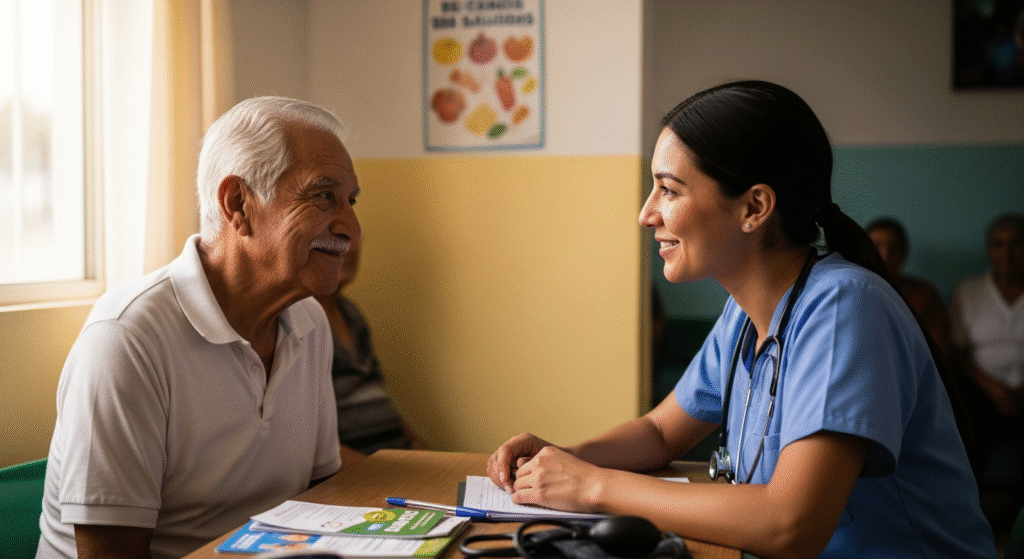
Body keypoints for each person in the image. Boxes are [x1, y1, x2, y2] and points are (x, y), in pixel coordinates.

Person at [486, 81, 996, 558]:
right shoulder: (744, 314)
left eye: (668, 190)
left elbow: (791, 523)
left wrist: (593, 488)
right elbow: (661, 434)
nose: (646, 214)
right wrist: (565, 459)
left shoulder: (844, 309)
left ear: (754, 207)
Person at [37, 96, 358, 559]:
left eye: (350, 201)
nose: (351, 226)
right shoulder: (127, 338)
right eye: (324, 195)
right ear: (237, 204)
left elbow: (321, 498)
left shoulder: (308, 323)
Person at [314, 238, 419, 465]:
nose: (350, 246)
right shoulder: (302, 321)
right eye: (336, 238)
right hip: (356, 475)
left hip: (394, 463)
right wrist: (383, 474)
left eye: (353, 238)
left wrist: (428, 458)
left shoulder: (351, 314)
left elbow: (380, 398)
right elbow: (311, 448)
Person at [950, 213, 1024, 492]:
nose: (1007, 253)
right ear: (989, 250)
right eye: (998, 244)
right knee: (966, 419)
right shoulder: (969, 291)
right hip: (983, 391)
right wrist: (993, 388)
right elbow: (957, 354)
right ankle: (964, 504)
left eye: (1017, 243)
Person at [865, 217, 954, 357]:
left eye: (893, 247)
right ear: (864, 251)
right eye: (876, 246)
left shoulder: (924, 293)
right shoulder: (854, 292)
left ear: (904, 253)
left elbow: (938, 348)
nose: (886, 254)